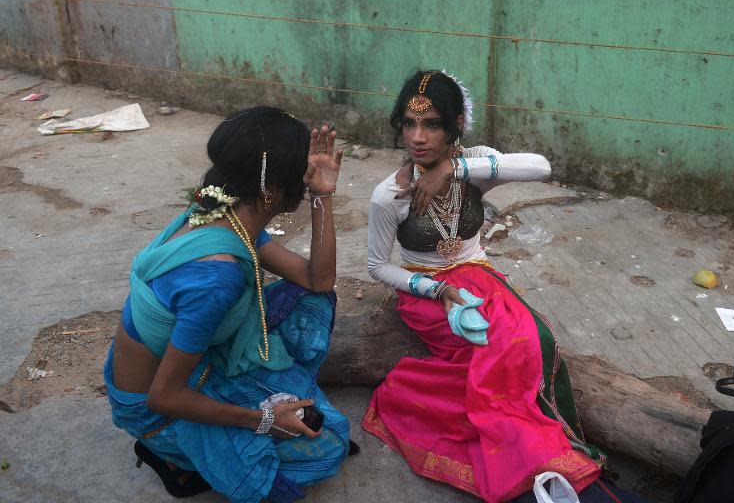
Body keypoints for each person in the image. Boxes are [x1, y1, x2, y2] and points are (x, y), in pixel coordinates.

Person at [363, 70, 607, 502]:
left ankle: (538, 448)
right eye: (409, 124)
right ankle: (532, 455)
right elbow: (377, 266)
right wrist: (435, 291)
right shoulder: (390, 195)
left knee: (533, 340)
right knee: (500, 350)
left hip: (479, 275)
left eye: (432, 124)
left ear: (457, 124)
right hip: (426, 291)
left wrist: (455, 169)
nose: (418, 137)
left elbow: (542, 167)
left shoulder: (474, 166)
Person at [104, 106, 357, 503]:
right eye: (302, 172)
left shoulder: (226, 214)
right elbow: (162, 396)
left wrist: (322, 195)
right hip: (157, 406)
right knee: (328, 447)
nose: (307, 176)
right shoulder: (217, 276)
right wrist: (265, 420)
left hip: (188, 363)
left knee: (309, 300)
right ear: (271, 191)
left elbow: (317, 280)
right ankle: (173, 456)